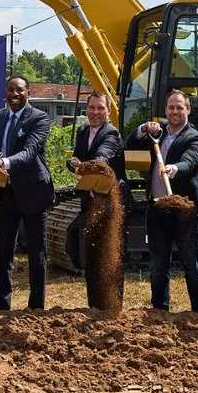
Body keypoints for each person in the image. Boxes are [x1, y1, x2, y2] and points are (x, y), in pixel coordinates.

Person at [129, 90, 198, 313]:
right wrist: (144, 129)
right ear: (166, 110)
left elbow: (190, 162)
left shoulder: (194, 137)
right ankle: (159, 309)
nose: (174, 111)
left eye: (179, 107)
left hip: (184, 210)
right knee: (158, 265)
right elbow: (130, 141)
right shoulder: (159, 131)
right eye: (171, 107)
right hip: (157, 208)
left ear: (188, 110)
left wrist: (174, 168)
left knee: (192, 266)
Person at [0, 76, 53, 310]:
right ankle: (1, 307)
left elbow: (29, 152)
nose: (14, 94)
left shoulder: (39, 118)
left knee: (36, 253)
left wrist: (3, 161)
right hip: (5, 192)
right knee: (4, 251)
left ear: (28, 93)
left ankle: (36, 307)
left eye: (19, 90)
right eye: (10, 90)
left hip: (34, 192)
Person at [67, 91, 127, 311]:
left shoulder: (112, 134)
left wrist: (87, 165)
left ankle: (113, 308)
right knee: (92, 259)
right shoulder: (83, 131)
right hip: (90, 203)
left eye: (100, 108)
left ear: (109, 111)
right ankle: (94, 307)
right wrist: (73, 163)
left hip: (110, 206)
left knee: (110, 259)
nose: (95, 112)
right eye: (91, 108)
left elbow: (102, 157)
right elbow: (77, 158)